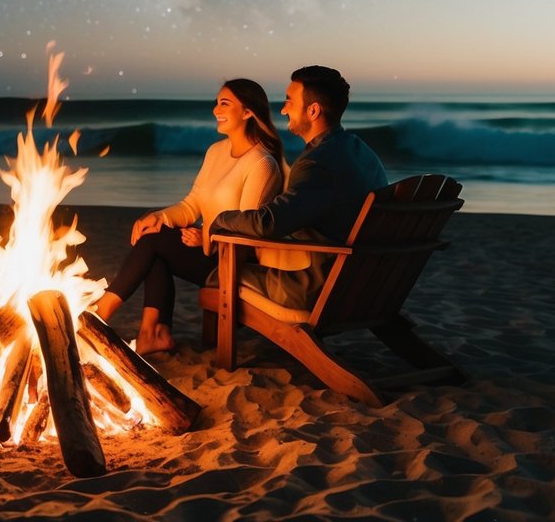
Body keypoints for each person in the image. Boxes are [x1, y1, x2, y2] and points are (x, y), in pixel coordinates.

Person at [93, 79, 285, 354]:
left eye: (224, 103)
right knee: (153, 235)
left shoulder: (262, 164)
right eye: (216, 102)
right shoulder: (216, 152)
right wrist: (159, 217)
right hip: (209, 249)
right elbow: (192, 203)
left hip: (233, 261)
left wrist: (206, 236)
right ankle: (152, 334)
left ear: (247, 112)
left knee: (154, 242)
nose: (216, 109)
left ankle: (100, 313)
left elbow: (247, 229)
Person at [212, 65, 388, 309]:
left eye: (289, 101)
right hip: (361, 281)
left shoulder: (318, 162)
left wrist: (221, 219)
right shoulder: (360, 151)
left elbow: (268, 224)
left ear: (313, 110)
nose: (283, 110)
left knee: (217, 277)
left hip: (319, 288)